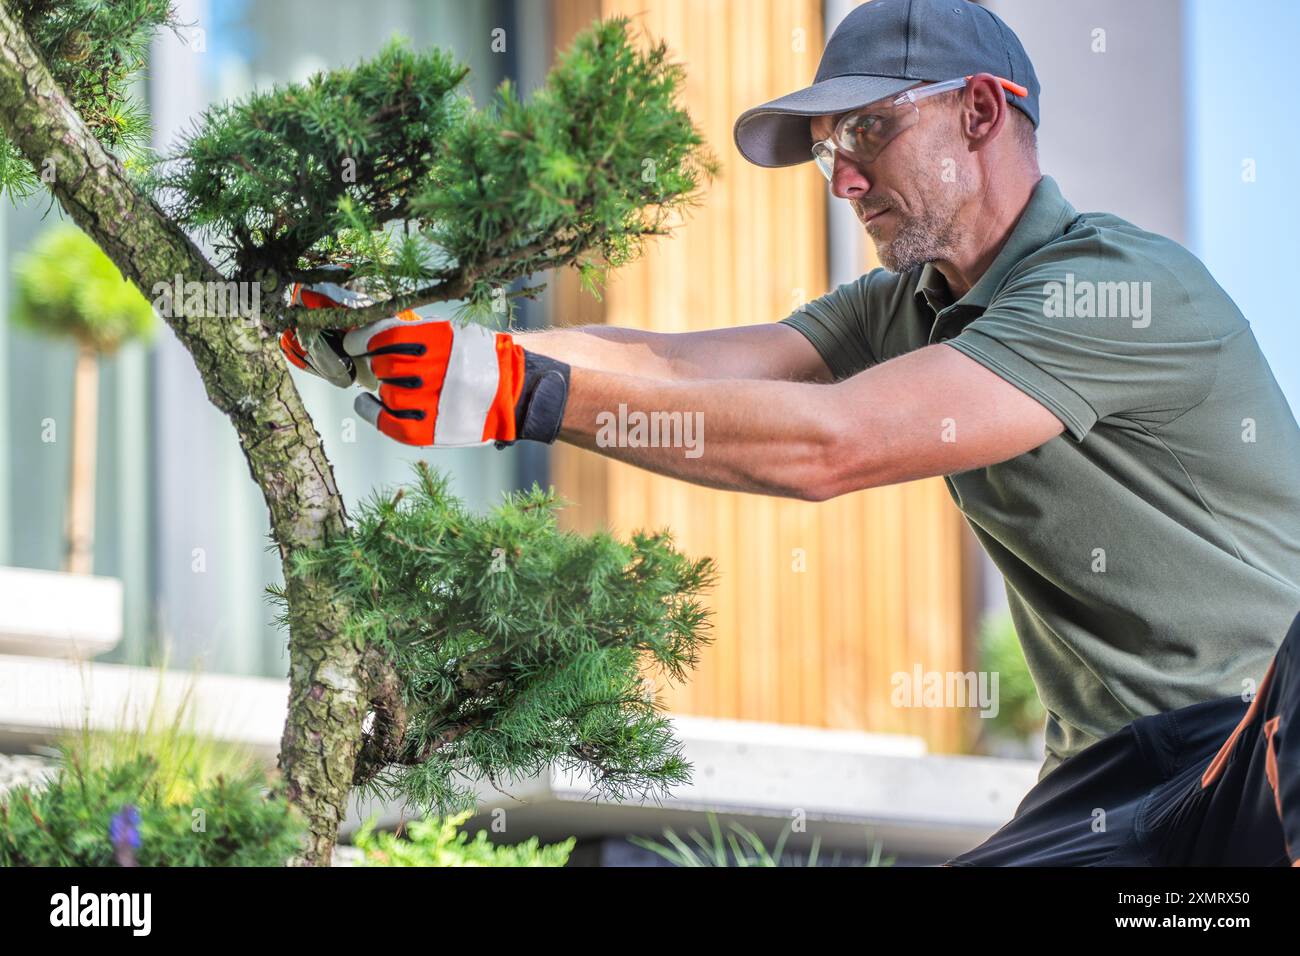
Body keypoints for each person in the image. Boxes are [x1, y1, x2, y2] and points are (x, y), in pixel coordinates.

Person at [280, 0, 1300, 865]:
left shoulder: (1108, 288)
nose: (843, 180)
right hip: (1114, 778)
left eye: (865, 134)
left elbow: (835, 443)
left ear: (979, 112)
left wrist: (525, 395)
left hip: (1255, 728)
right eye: (827, 155)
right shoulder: (909, 303)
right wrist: (420, 347)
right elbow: (671, 365)